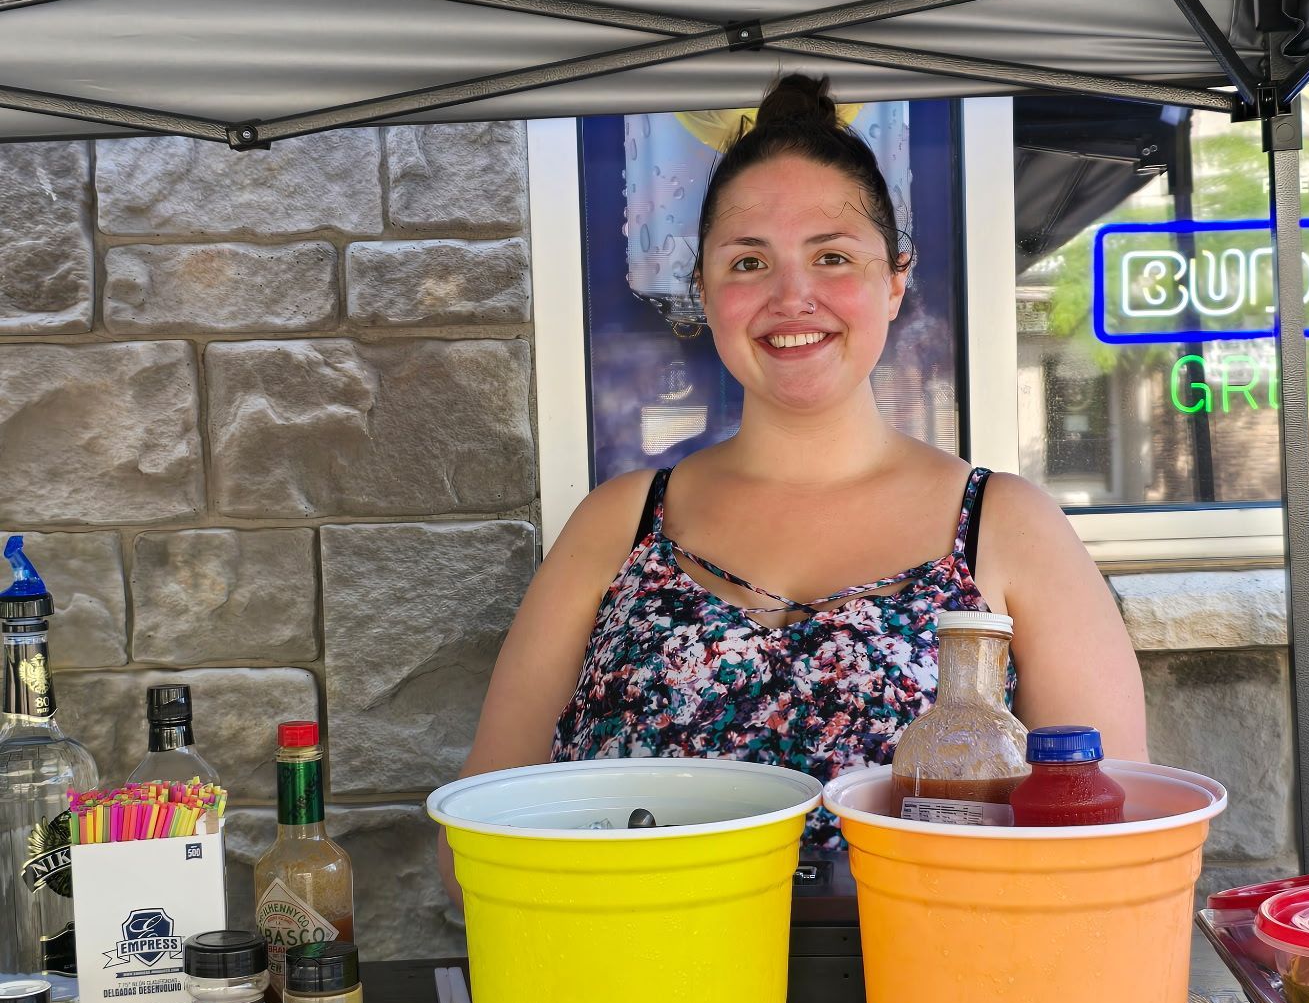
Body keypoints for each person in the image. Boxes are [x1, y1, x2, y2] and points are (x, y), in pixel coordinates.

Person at [440, 74, 1145, 895]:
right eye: (749, 262)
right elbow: (477, 845)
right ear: (704, 291)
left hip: (924, 1002)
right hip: (643, 994)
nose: (792, 297)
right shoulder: (618, 524)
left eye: (833, 256)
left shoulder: (1005, 525)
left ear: (896, 278)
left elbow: (1110, 843)